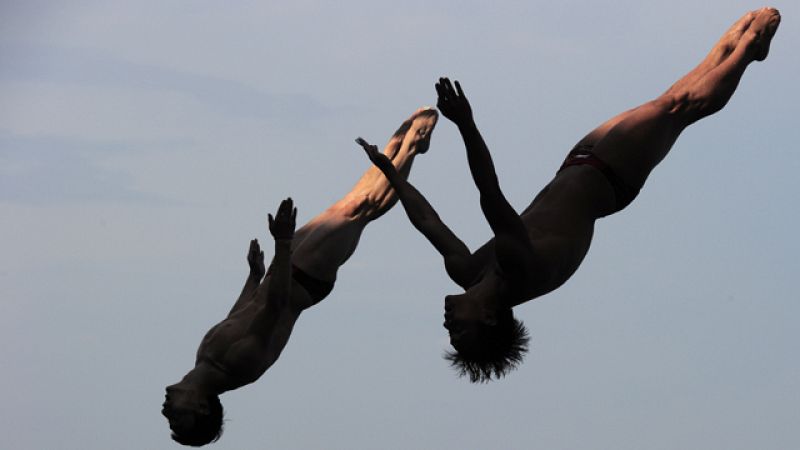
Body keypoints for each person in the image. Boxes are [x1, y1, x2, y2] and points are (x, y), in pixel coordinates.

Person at [359, 8, 780, 383]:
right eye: (458, 330)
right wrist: (467, 125)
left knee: (669, 102)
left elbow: (428, 223)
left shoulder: (470, 270)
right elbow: (491, 197)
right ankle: (746, 53)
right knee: (680, 109)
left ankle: (729, 49)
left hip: (577, 165)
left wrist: (390, 173)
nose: (447, 323)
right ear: (488, 317)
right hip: (611, 177)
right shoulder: (518, 271)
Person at [162, 107, 438, 446]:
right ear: (202, 408)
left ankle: (396, 151)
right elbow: (275, 306)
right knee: (360, 211)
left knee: (348, 205)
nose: (166, 410)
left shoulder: (206, 359)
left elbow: (239, 314)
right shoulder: (236, 365)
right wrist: (282, 243)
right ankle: (411, 148)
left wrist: (254, 275)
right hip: (302, 281)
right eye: (178, 416)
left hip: (284, 273)